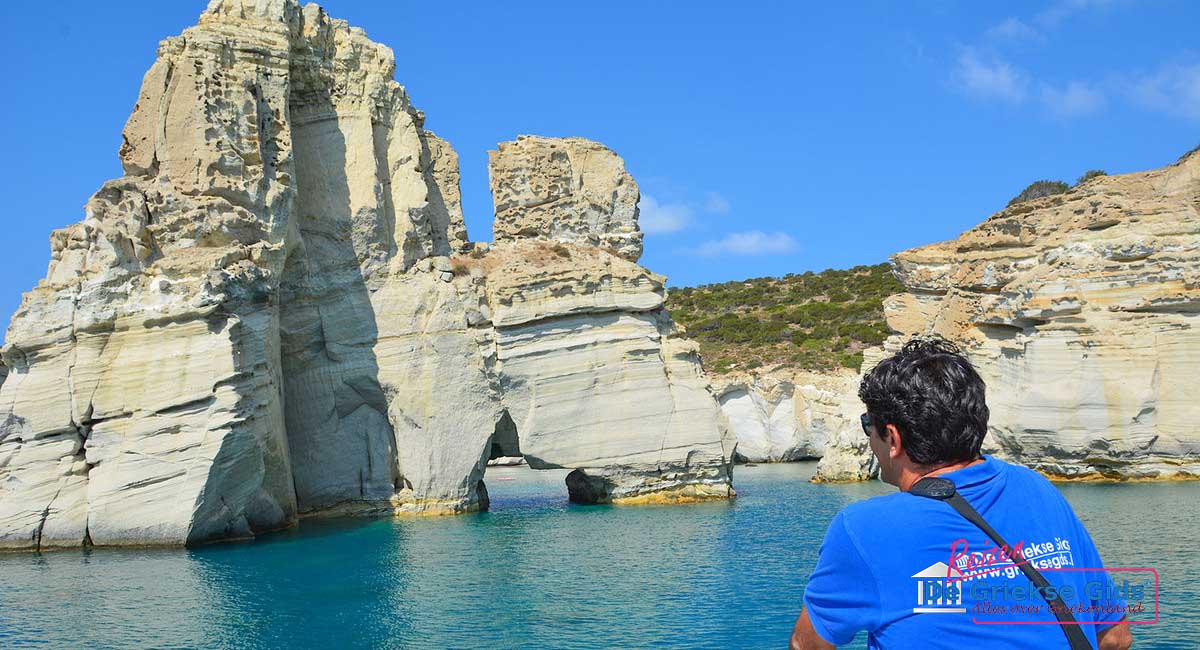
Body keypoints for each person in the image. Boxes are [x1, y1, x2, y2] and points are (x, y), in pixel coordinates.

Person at [790, 337, 1134, 649]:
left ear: (892, 439)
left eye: (869, 425)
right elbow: (1115, 637)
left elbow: (808, 646)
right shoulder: (1038, 488)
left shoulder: (862, 528)